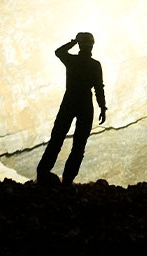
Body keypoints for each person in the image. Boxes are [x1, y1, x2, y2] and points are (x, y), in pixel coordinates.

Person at [37, 32, 107, 185]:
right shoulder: (95, 65)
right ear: (92, 46)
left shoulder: (72, 61)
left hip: (69, 102)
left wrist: (73, 42)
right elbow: (98, 88)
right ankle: (67, 180)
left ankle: (43, 174)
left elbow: (59, 52)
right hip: (85, 105)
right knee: (78, 145)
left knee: (57, 138)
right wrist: (102, 107)